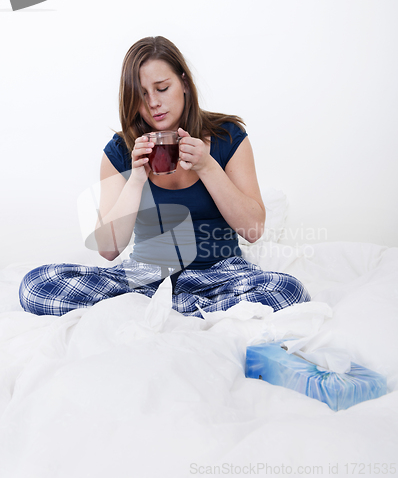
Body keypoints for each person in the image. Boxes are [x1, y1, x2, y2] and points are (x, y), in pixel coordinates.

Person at [19, 36, 310, 317]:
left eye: (162, 88)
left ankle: (159, 313)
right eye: (141, 94)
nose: (153, 103)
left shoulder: (228, 136)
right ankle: (186, 312)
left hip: (219, 274)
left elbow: (253, 231)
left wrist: (208, 167)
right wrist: (135, 179)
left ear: (184, 83)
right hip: (145, 276)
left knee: (288, 291)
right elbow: (108, 250)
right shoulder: (120, 151)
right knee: (35, 286)